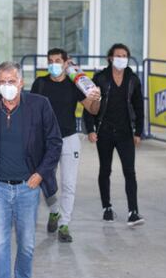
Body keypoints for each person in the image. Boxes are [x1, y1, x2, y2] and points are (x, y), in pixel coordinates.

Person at [0, 61, 62, 278]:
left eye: (11, 81)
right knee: (0, 244)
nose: (6, 87)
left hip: (28, 187)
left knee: (26, 244)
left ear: (21, 82)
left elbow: (54, 142)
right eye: (2, 81)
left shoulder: (39, 105)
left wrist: (40, 174)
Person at [31, 48, 101, 243]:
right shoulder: (41, 83)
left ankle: (64, 224)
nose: (54, 64)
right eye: (50, 61)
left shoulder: (73, 85)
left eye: (57, 60)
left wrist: (97, 98)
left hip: (70, 139)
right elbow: (31, 109)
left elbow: (92, 109)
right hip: (46, 140)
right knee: (47, 181)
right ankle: (54, 211)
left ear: (65, 63)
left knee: (69, 184)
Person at [82, 43, 145, 227]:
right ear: (110, 58)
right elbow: (89, 107)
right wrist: (91, 130)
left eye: (125, 55)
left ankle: (133, 211)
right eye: (118, 55)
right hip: (105, 131)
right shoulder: (101, 78)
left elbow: (139, 106)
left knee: (129, 172)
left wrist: (138, 131)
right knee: (105, 169)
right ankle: (106, 208)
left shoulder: (132, 79)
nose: (122, 58)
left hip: (125, 132)